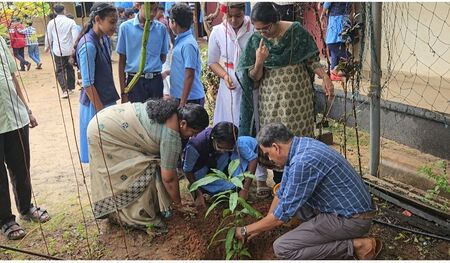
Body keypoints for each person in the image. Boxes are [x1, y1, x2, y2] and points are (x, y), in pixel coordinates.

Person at [235, 123, 382, 260]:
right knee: (291, 207)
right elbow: (282, 193)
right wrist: (261, 227)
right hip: (342, 207)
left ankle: (357, 245)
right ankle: (316, 233)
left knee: (282, 247)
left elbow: (280, 217)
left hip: (352, 219)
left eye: (267, 153)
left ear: (275, 147)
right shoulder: (299, 147)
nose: (268, 158)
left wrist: (244, 230)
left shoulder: (303, 162)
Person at [237, 2, 334, 184]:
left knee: (299, 139)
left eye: (266, 28)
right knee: (275, 141)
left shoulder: (296, 32)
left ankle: (303, 180)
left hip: (298, 100)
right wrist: (259, 61)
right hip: (271, 102)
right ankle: (280, 183)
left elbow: (311, 60)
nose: (263, 33)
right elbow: (253, 78)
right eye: (258, 30)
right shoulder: (256, 40)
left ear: (276, 20)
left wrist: (325, 78)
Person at [88, 99, 209, 231]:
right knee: (140, 169)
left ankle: (118, 210)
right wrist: (178, 204)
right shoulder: (171, 136)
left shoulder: (171, 112)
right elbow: (169, 178)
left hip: (106, 120)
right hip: (104, 133)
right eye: (193, 132)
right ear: (183, 123)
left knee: (149, 165)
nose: (193, 137)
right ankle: (128, 217)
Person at [0, 36, 50, 241]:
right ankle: (5, 220)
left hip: (15, 116)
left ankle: (26, 208)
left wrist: (27, 110)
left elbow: (12, 76)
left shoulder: (1, 41)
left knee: (21, 167)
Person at [72, 3, 120, 164]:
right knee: (99, 154)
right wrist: (102, 113)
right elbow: (88, 84)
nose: (115, 27)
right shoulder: (88, 45)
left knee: (110, 151)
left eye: (116, 22)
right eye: (112, 22)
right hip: (96, 105)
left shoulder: (104, 39)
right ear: (98, 19)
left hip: (106, 100)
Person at [183, 122, 264, 207]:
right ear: (214, 139)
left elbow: (253, 159)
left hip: (215, 165)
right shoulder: (196, 146)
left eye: (227, 149)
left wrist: (245, 189)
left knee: (236, 161)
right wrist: (198, 193)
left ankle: (229, 190)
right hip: (200, 170)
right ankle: (200, 191)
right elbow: (187, 170)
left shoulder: (231, 140)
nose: (222, 151)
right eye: (220, 147)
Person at [208, 2, 253, 127]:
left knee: (250, 118)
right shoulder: (217, 32)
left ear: (244, 12)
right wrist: (225, 76)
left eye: (238, 16)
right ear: (224, 14)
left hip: (251, 78)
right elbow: (212, 62)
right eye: (229, 16)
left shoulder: (254, 28)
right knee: (230, 118)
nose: (233, 20)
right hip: (229, 80)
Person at [117, 2, 169, 103]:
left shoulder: (161, 29)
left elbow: (163, 57)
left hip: (155, 81)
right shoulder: (125, 28)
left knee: (156, 116)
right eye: (149, 9)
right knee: (136, 116)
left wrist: (152, 67)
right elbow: (121, 62)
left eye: (155, 9)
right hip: (135, 82)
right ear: (138, 6)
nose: (153, 13)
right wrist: (123, 92)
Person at [168, 3, 205, 107]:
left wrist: (182, 103)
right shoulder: (180, 40)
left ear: (173, 22)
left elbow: (190, 75)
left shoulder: (187, 44)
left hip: (190, 99)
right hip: (182, 97)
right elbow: (183, 68)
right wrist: (168, 72)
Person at [45, 4, 79, 99]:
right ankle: (71, 87)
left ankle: (64, 90)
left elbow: (48, 36)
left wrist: (47, 46)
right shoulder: (71, 21)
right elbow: (75, 36)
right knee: (69, 67)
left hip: (57, 50)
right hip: (69, 49)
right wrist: (75, 48)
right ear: (64, 10)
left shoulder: (51, 23)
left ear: (55, 11)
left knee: (60, 70)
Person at [320, 2, 352, 81]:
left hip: (336, 18)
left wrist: (323, 13)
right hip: (345, 16)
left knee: (331, 43)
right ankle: (334, 72)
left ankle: (349, 58)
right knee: (339, 43)